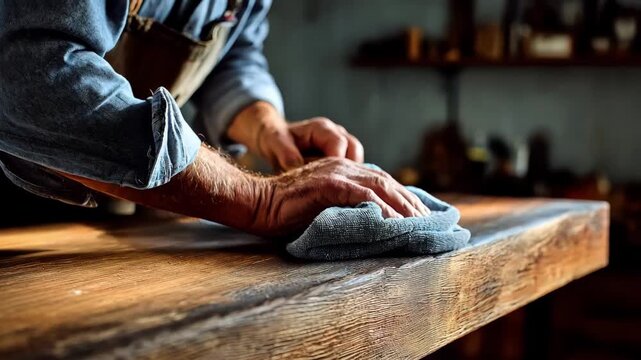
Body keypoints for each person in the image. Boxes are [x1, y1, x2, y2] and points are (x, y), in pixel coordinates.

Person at [0, 0, 429, 236]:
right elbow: (38, 73)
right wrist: (264, 201)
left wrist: (269, 130)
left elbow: (233, 57)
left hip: (122, 223)